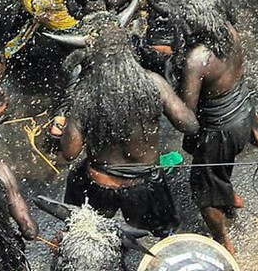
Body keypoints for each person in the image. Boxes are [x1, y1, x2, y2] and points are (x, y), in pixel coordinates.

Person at [62, 24, 199, 235]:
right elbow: (189, 125)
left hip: (98, 185)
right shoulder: (153, 83)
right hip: (144, 186)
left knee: (86, 232)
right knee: (164, 235)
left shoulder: (84, 94)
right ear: (130, 51)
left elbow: (70, 152)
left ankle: (75, 235)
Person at [174, 0, 258, 254]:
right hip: (243, 114)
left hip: (219, 129)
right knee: (222, 167)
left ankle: (223, 242)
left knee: (202, 190)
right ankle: (230, 197)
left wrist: (166, 91)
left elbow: (187, 116)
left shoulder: (197, 58)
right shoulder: (229, 31)